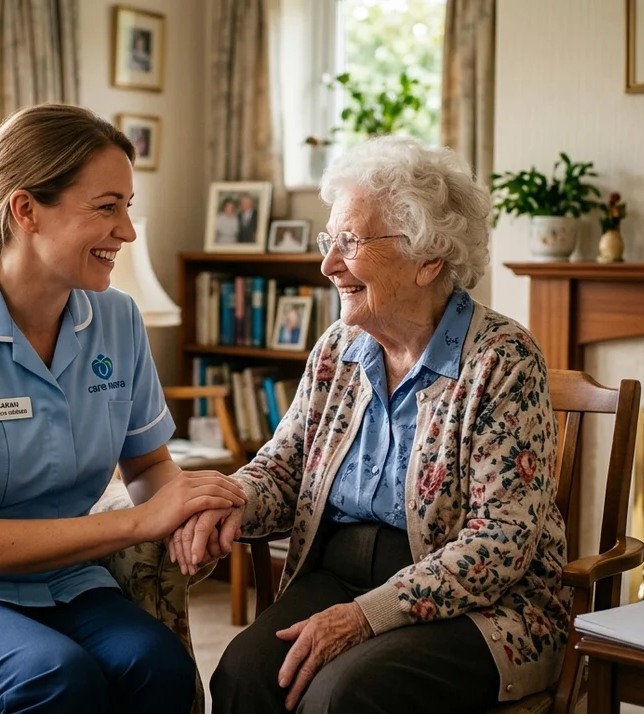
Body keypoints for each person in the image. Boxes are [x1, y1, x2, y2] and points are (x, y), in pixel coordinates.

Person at [0, 103, 247, 714]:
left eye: (127, 207)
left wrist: (189, 512)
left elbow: (147, 468)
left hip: (63, 581)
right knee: (55, 681)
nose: (128, 232)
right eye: (107, 207)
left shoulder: (117, 320)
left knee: (158, 668)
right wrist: (143, 521)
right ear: (26, 210)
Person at [171, 136, 570, 713]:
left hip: (483, 607)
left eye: (350, 243)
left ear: (428, 257)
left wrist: (368, 615)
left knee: (343, 695)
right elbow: (285, 466)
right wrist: (233, 501)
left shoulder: (501, 359)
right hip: (336, 574)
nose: (329, 264)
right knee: (243, 673)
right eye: (329, 241)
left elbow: (500, 543)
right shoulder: (340, 345)